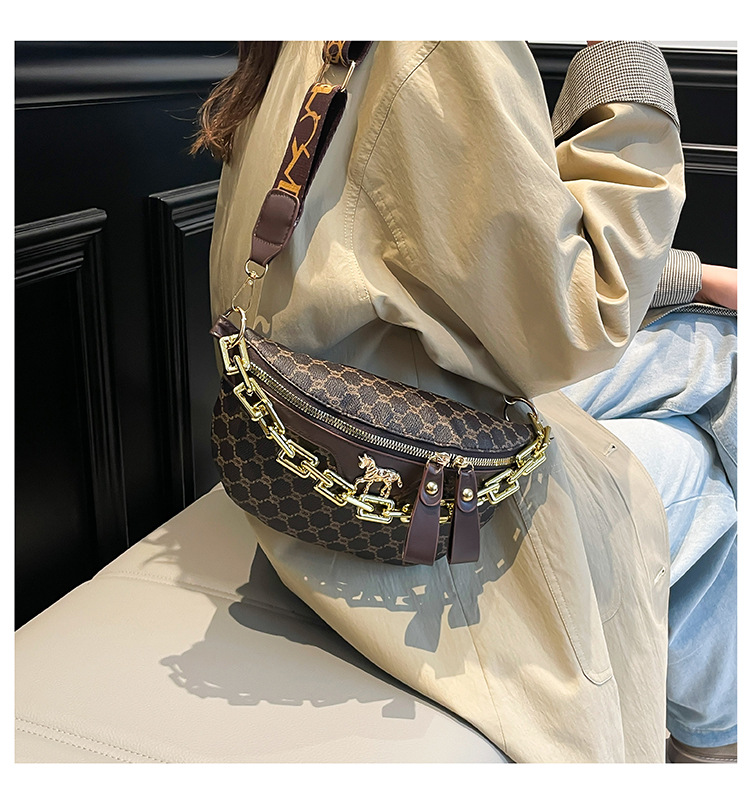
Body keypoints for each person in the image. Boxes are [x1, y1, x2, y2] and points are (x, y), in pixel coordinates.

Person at [199, 41, 736, 762]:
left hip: (357, 402)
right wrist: (622, 62)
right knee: (706, 466)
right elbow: (581, 317)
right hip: (425, 475)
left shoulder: (317, 41)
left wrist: (694, 278)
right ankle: (711, 747)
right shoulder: (439, 42)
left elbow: (436, 250)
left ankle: (711, 743)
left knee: (721, 349)